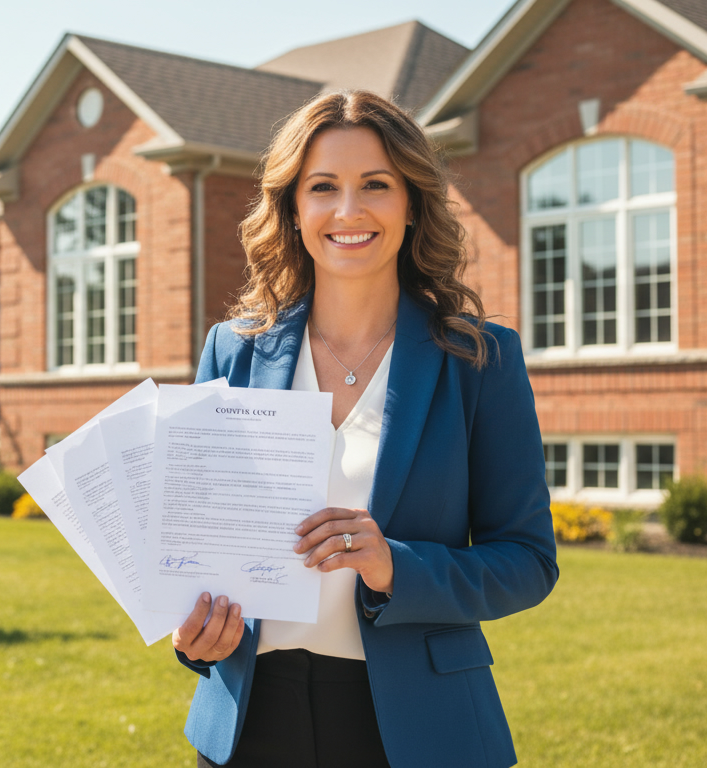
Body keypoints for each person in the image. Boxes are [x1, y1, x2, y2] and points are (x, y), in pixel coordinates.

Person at [171, 90, 559, 768]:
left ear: (411, 203)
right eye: (323, 187)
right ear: (294, 209)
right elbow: (199, 551)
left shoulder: (478, 360)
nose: (348, 211)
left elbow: (527, 562)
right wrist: (194, 635)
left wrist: (394, 567)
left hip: (419, 730)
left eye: (375, 185)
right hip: (247, 723)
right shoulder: (232, 352)